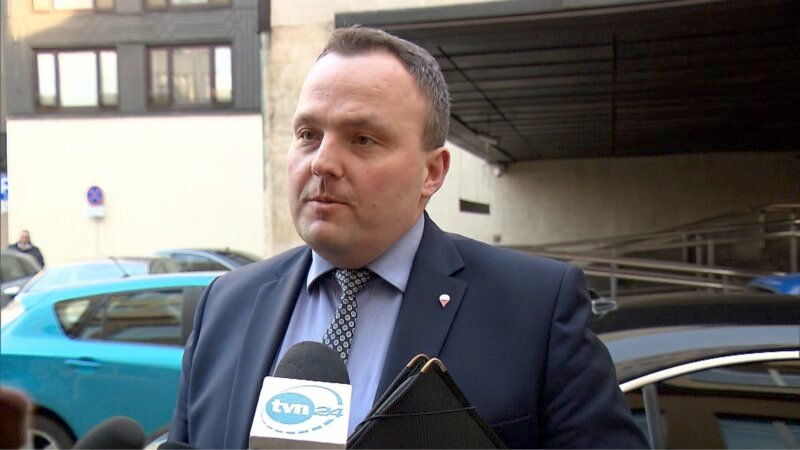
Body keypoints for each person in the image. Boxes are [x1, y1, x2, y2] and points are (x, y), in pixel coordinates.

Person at [168, 26, 648, 449]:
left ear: (431, 172)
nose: (322, 162)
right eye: (308, 134)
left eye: (362, 139)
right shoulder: (225, 307)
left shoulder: (535, 309)